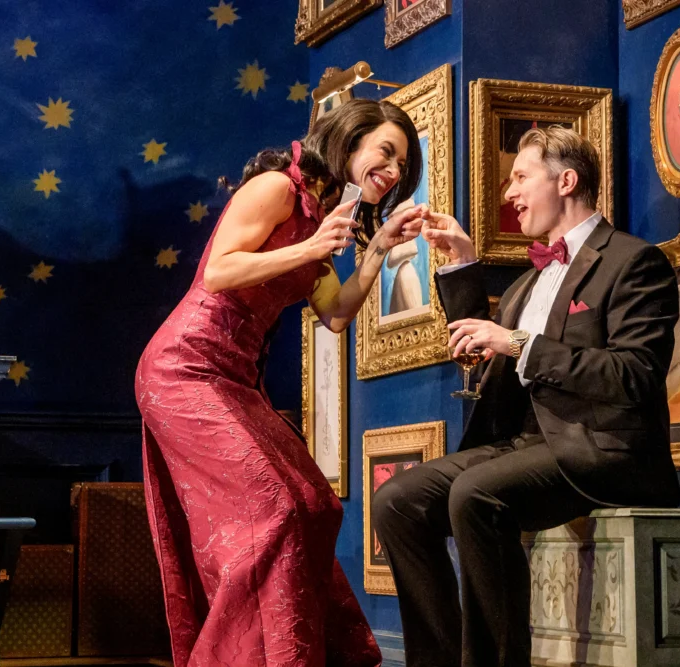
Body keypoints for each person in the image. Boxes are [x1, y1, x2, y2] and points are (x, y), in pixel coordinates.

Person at [373, 125, 680, 667]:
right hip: (521, 444)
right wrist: (464, 262)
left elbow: (635, 375)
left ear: (566, 180)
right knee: (396, 501)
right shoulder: (526, 282)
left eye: (519, 177)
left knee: (475, 493)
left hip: (603, 448)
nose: (508, 194)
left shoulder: (634, 262)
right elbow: (485, 348)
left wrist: (517, 341)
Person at [135, 99, 426, 667]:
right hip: (183, 368)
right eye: (385, 152)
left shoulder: (320, 218)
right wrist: (313, 247)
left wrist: (377, 252)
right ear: (348, 140)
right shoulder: (276, 189)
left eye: (401, 166)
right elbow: (218, 270)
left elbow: (337, 314)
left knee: (316, 504)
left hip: (237, 378)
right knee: (276, 509)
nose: (391, 172)